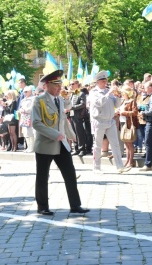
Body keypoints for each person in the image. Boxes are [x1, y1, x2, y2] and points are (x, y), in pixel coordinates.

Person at [32, 69, 89, 215]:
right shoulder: (39, 100)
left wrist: (71, 134)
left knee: (70, 173)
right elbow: (36, 123)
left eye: (60, 84)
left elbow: (62, 120)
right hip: (46, 143)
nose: (59, 88)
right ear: (48, 85)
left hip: (61, 143)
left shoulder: (60, 100)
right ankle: (42, 206)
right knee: (42, 176)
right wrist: (55, 134)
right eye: (56, 85)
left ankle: (75, 205)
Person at [89, 71, 129, 173]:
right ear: (97, 82)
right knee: (97, 145)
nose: (105, 82)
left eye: (106, 80)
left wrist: (119, 97)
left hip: (110, 121)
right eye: (102, 81)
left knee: (115, 144)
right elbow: (99, 103)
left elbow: (117, 105)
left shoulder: (108, 91)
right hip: (99, 121)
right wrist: (108, 93)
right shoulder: (94, 92)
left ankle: (120, 166)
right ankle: (96, 167)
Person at [119, 85, 139, 169]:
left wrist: (123, 112)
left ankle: (131, 161)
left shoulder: (132, 101)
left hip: (129, 123)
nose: (122, 93)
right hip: (122, 122)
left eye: (123, 92)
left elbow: (135, 112)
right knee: (126, 143)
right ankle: (127, 160)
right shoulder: (123, 101)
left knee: (129, 142)